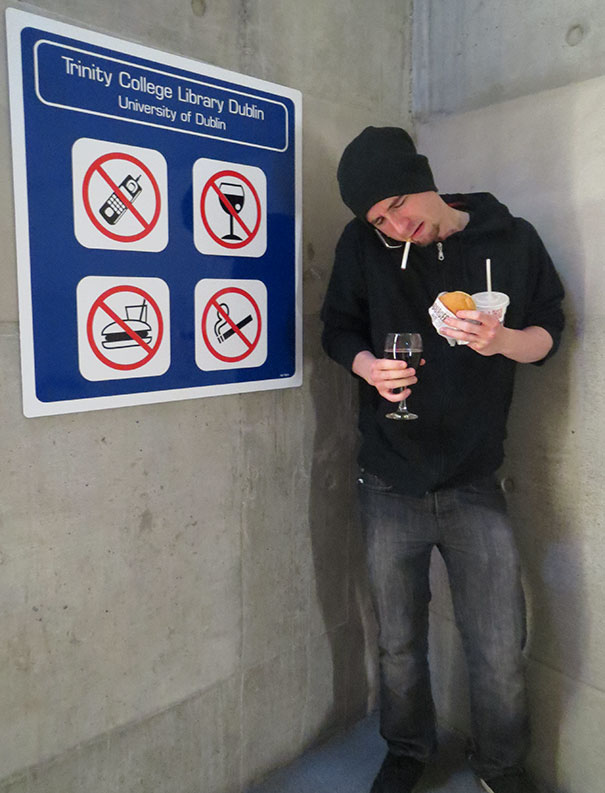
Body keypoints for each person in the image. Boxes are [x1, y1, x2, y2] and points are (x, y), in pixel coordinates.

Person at [321, 127, 565, 793]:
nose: (396, 226)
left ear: (423, 177)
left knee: (499, 645)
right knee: (398, 642)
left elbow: (549, 328)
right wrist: (367, 366)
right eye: (379, 220)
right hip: (388, 477)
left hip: (473, 478)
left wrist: (503, 340)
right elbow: (337, 327)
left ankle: (500, 767)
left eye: (399, 205)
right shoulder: (362, 247)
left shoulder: (510, 239)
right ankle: (406, 751)